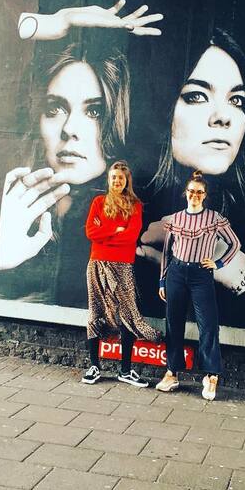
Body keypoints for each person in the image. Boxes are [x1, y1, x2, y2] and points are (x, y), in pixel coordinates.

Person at [0, 0, 163, 282]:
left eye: (94, 111)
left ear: (120, 120)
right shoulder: (5, 212)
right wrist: (63, 18)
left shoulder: (142, 229)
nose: (70, 129)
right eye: (54, 109)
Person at [138, 28, 245, 296]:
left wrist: (234, 268)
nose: (223, 117)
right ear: (161, 106)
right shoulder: (130, 214)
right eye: (196, 96)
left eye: (236, 100)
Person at [156, 170, 241, 401]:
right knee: (173, 324)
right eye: (191, 191)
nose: (195, 195)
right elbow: (166, 252)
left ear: (205, 195)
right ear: (186, 193)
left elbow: (235, 243)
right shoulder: (175, 219)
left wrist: (218, 263)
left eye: (199, 192)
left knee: (208, 325)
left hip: (201, 274)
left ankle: (211, 375)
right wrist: (162, 280)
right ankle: (172, 372)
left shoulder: (214, 219)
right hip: (176, 273)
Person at [82, 160, 161, 387]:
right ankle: (94, 365)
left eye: (121, 178)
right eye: (114, 177)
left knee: (127, 313)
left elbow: (130, 236)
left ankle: (125, 370)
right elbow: (91, 232)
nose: (117, 181)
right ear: (109, 179)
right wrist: (115, 229)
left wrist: (107, 233)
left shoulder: (135, 205)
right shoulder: (98, 202)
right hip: (97, 263)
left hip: (123, 265)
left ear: (127, 181)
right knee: (95, 310)